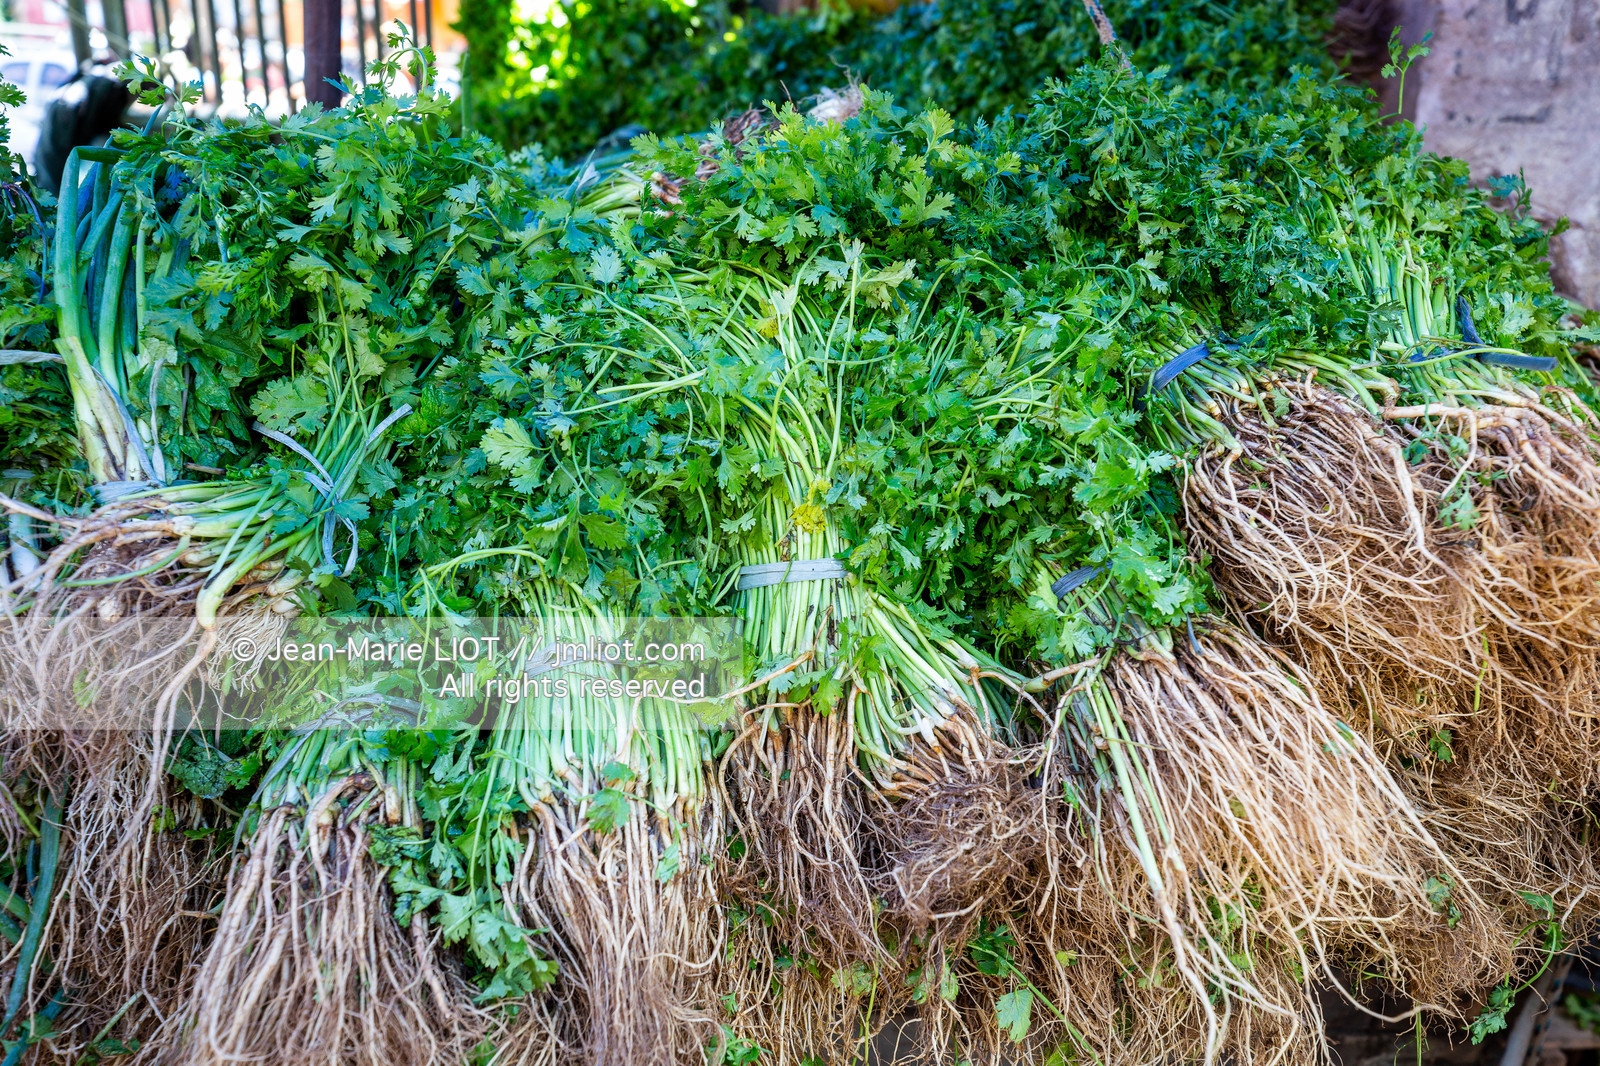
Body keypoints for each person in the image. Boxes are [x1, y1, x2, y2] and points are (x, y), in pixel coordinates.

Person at [32, 58, 132, 196]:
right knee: (57, 185)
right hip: (62, 139)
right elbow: (108, 128)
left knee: (50, 182)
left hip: (53, 135)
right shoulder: (111, 87)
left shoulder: (88, 78)